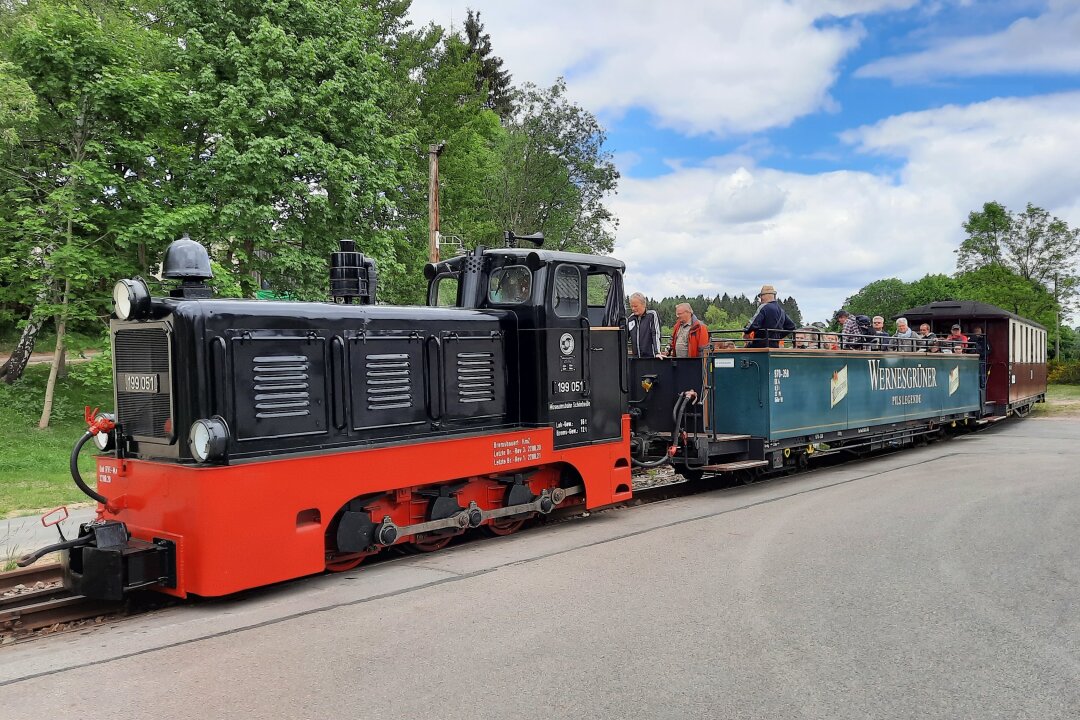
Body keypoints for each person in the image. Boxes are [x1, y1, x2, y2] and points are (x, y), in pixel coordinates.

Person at [627, 292, 661, 358]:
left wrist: (657, 352)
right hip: (636, 358)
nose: (633, 309)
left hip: (651, 358)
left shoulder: (652, 315)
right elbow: (625, 336)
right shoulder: (631, 318)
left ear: (644, 304)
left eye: (635, 306)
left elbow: (655, 334)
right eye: (631, 306)